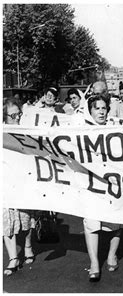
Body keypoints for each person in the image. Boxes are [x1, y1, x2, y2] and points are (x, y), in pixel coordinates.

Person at [83, 94, 122, 282]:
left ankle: (112, 254)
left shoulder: (115, 127)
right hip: (91, 182)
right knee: (91, 221)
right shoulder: (81, 130)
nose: (101, 111)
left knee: (115, 221)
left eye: (103, 108)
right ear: (90, 111)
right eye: (97, 108)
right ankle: (94, 263)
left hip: (113, 182)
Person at [3, 98, 36, 276]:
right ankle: (13, 258)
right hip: (4, 182)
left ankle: (28, 245)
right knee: (5, 219)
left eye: (19, 114)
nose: (17, 118)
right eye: (13, 115)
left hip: (23, 180)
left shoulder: (26, 131)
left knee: (25, 217)